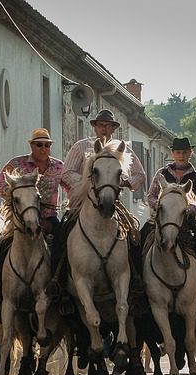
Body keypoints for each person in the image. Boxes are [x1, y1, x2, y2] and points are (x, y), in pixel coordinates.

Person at [54, 109, 146, 295]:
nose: (105, 128)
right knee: (60, 236)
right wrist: (88, 183)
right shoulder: (81, 147)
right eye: (101, 125)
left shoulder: (122, 149)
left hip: (113, 202)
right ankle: (57, 281)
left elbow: (140, 174)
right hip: (82, 205)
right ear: (95, 126)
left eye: (109, 125)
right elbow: (67, 173)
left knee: (134, 237)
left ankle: (137, 281)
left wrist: (124, 182)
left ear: (113, 128)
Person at [0, 127, 68, 313]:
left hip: (49, 219)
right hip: (20, 221)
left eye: (47, 145)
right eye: (39, 144)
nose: (43, 148)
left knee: (65, 247)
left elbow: (70, 188)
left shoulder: (59, 167)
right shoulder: (16, 164)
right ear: (32, 145)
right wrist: (18, 197)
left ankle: (62, 291)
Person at [146, 137, 196, 307]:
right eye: (178, 152)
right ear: (172, 153)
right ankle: (137, 285)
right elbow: (151, 196)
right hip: (162, 222)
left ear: (190, 153)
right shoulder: (162, 174)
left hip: (187, 224)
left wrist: (190, 209)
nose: (181, 155)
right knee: (140, 241)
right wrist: (161, 206)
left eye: (184, 152)